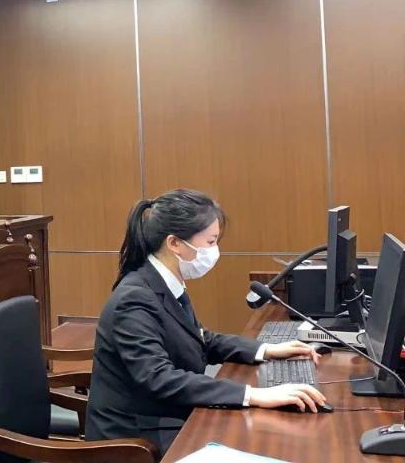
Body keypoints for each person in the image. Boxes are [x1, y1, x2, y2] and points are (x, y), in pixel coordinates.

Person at [86, 189, 326, 453]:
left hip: (168, 417)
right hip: (136, 439)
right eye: (210, 242)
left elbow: (201, 338)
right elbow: (159, 378)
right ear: (174, 243)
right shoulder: (134, 299)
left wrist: (266, 350)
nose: (215, 251)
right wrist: (253, 394)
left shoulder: (163, 282)